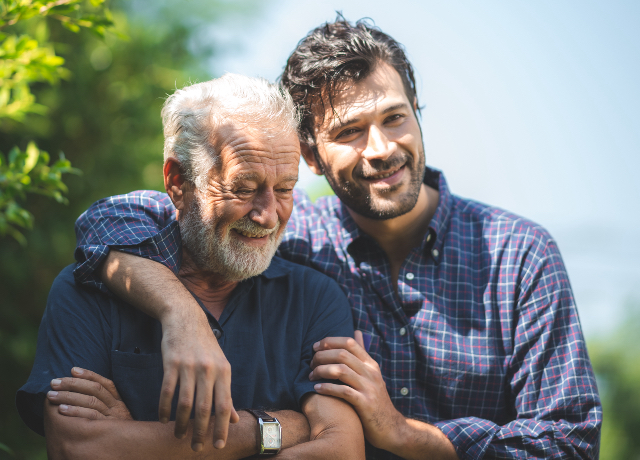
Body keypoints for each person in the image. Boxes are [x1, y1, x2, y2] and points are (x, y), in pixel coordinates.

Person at [69, 18, 601, 460]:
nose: (381, 148)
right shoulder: (283, 237)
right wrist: (179, 315)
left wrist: (400, 432)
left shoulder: (520, 254)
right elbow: (112, 221)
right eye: (349, 131)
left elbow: (570, 443)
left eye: (395, 118)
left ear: (418, 112)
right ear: (309, 154)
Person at [16, 74, 366, 459]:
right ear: (178, 181)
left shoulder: (313, 298)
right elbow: (77, 448)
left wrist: (134, 436)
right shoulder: (88, 291)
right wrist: (282, 426)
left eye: (285, 189)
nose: (268, 216)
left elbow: (342, 450)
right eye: (244, 188)